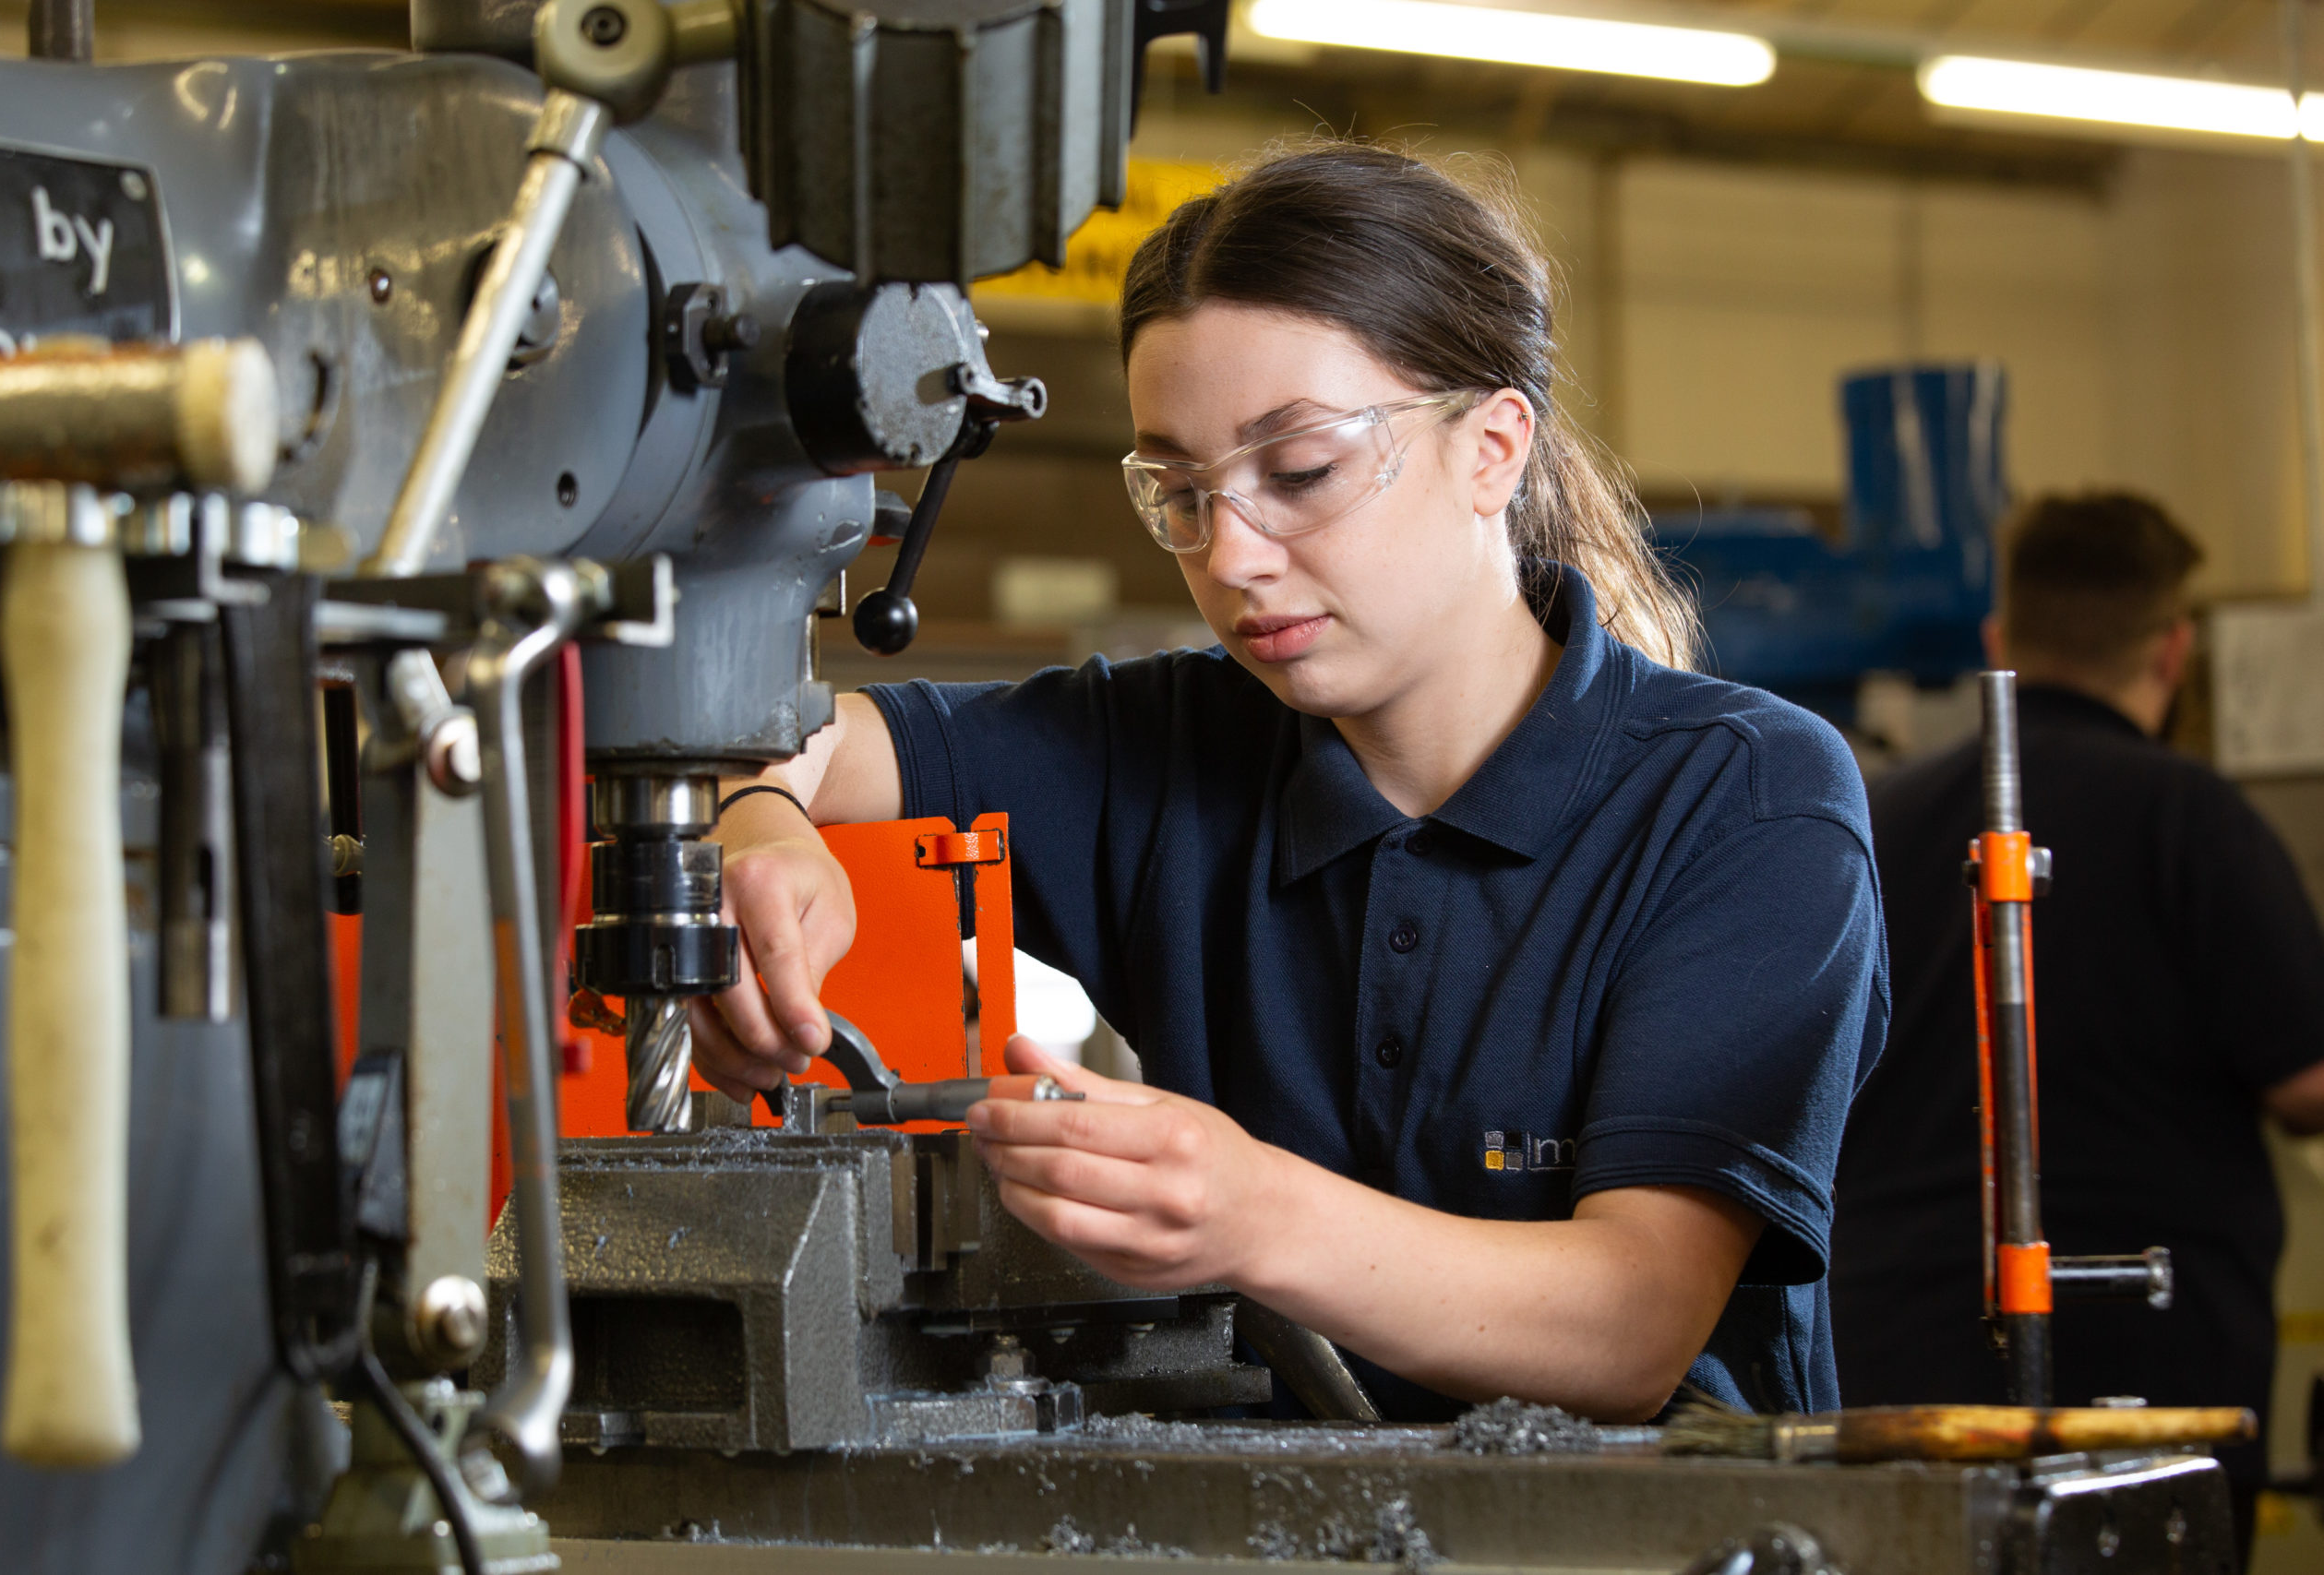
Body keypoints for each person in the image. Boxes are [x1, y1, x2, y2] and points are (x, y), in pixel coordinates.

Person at [694, 144, 1887, 1424]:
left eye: (1301, 471)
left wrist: (1250, 1213)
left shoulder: (1741, 800)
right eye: (1181, 491)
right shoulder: (1162, 744)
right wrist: (758, 825)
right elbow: (783, 735)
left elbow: (1630, 1323)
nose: (1232, 557)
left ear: (1493, 449)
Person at [1832, 492, 2324, 1559]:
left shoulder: (1872, 820)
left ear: (1998, 639)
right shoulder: (2195, 819)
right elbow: (2304, 1080)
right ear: (2172, 649)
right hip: (2150, 1368)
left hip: (1892, 1358)